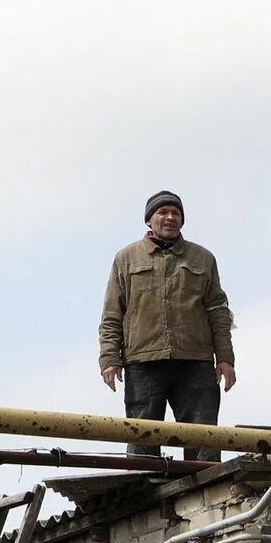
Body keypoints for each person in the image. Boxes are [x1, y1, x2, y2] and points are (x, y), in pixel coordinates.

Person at [99, 190, 237, 461]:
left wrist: (225, 358)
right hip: (143, 362)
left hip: (195, 361)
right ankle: (142, 499)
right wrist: (109, 358)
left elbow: (218, 312)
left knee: (204, 441)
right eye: (163, 212)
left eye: (176, 213)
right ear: (149, 220)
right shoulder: (125, 259)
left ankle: (207, 496)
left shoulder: (203, 259)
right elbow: (113, 313)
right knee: (142, 439)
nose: (170, 217)